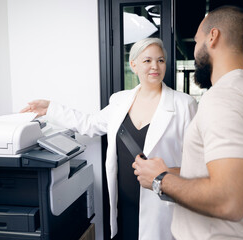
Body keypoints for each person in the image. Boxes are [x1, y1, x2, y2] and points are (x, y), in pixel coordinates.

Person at [21, 38, 197, 240]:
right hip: (123, 205)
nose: (155, 66)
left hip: (163, 207)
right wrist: (50, 108)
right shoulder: (120, 101)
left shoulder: (184, 105)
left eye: (161, 60)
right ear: (134, 65)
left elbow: (196, 162)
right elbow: (89, 124)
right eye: (147, 61)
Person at [133, 6, 243, 240]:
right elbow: (215, 172)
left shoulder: (223, 99)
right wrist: (167, 171)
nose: (194, 51)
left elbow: (229, 200)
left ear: (213, 37)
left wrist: (160, 181)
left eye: (196, 42)